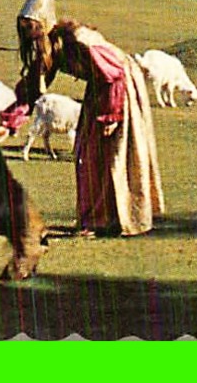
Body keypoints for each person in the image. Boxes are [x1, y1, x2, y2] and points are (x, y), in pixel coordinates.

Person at [10, 15, 164, 237]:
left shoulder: (77, 41)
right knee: (89, 153)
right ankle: (98, 218)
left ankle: (117, 218)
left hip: (119, 89)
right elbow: (35, 83)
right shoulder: (54, 49)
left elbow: (114, 74)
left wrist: (111, 115)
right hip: (99, 88)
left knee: (114, 154)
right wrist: (13, 115)